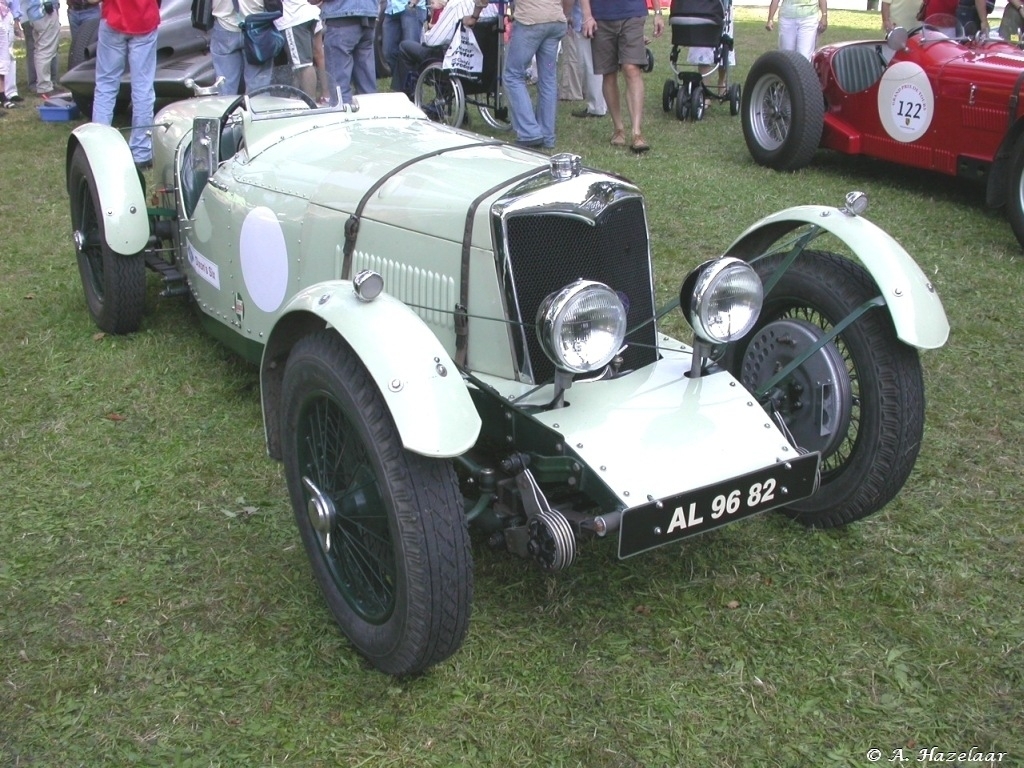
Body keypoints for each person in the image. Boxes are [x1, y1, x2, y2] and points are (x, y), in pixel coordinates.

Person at [473, 0, 566, 149]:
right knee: (548, 79)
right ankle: (547, 136)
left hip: (530, 21)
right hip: (556, 20)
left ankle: (529, 132)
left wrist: (475, 15)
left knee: (512, 75)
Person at [579, 0, 663, 153]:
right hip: (601, 16)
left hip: (632, 13)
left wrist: (658, 13)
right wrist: (587, 15)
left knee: (631, 68)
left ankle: (636, 132)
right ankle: (618, 128)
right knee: (608, 73)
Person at [90, 0, 159, 169]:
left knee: (106, 85)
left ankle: (98, 147)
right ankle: (141, 152)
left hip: (113, 18)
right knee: (143, 88)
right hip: (145, 20)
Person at [393, 0, 495, 99]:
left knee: (405, 47)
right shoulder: (492, 8)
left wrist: (427, 27)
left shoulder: (456, 4)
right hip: (482, 64)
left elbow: (433, 41)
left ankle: (406, 95)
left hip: (453, 60)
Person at [318, 0, 378, 105]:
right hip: (368, 14)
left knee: (340, 89)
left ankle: (342, 115)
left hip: (342, 17)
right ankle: (372, 115)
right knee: (367, 86)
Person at [210, 0, 275, 96]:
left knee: (224, 84)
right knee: (258, 86)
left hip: (224, 25)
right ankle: (257, 108)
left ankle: (226, 110)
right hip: (256, 25)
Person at [276, 0, 321, 99]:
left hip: (293, 18)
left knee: (303, 65)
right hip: (306, 13)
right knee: (298, 64)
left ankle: (311, 103)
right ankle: (297, 99)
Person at [569, 0, 605, 119]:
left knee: (589, 65)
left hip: (585, 21)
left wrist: (566, 15)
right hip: (601, 19)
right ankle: (602, 104)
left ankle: (596, 107)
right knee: (599, 64)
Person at [382, 0, 427, 92]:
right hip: (391, 9)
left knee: (411, 53)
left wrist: (412, 3)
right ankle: (402, 88)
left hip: (411, 7)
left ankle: (413, 92)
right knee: (388, 52)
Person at [23, 0, 65, 98]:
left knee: (40, 49)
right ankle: (44, 87)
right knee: (45, 50)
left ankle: (45, 84)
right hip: (44, 11)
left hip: (34, 12)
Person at [1, 0, 21, 108]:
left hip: (6, 14)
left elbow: (14, 2)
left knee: (8, 55)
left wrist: (16, 19)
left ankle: (9, 92)